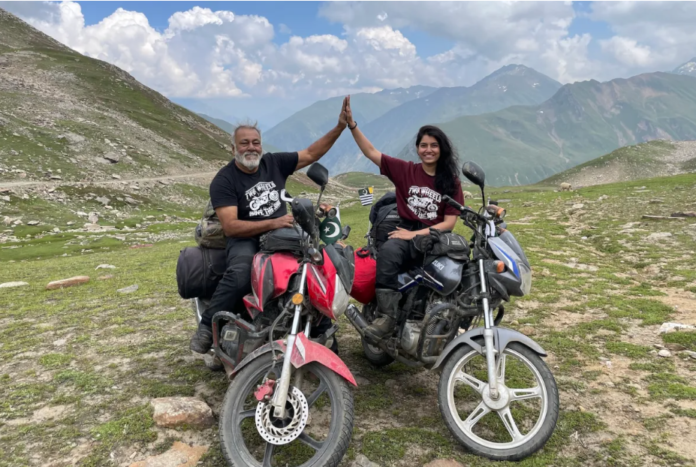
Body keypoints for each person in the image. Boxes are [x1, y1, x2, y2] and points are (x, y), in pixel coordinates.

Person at [190, 99, 350, 354]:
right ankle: (208, 325)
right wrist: (273, 221)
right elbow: (231, 226)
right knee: (242, 273)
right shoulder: (224, 180)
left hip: (283, 234)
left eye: (255, 142)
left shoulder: (273, 163)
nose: (251, 147)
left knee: (313, 267)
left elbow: (310, 154)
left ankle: (320, 329)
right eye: (244, 143)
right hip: (245, 238)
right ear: (234, 148)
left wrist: (339, 127)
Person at [343, 95, 465, 342]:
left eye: (433, 145)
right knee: (389, 251)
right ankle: (387, 317)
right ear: (417, 148)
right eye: (423, 145)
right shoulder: (405, 170)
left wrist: (417, 234)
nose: (428, 150)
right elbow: (371, 152)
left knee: (458, 266)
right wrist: (352, 126)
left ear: (442, 149)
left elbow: (449, 222)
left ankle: (446, 316)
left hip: (435, 235)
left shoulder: (451, 181)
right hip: (406, 231)